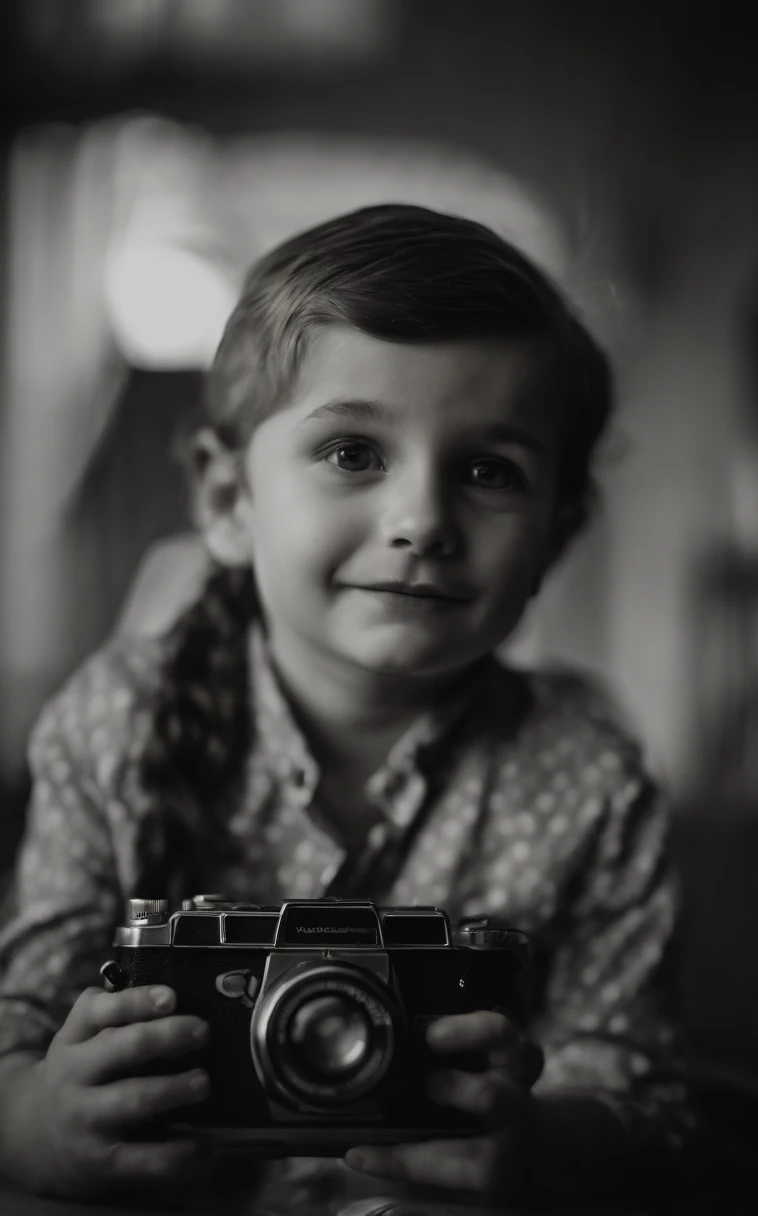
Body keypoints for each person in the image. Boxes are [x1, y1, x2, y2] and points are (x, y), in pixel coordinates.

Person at [0, 204, 696, 1207]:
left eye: (487, 471)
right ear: (227, 498)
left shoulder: (592, 779)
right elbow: (17, 1032)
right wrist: (34, 1124)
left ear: (554, 536)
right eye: (353, 452)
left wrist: (541, 1142)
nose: (420, 519)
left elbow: (643, 1096)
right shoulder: (111, 725)